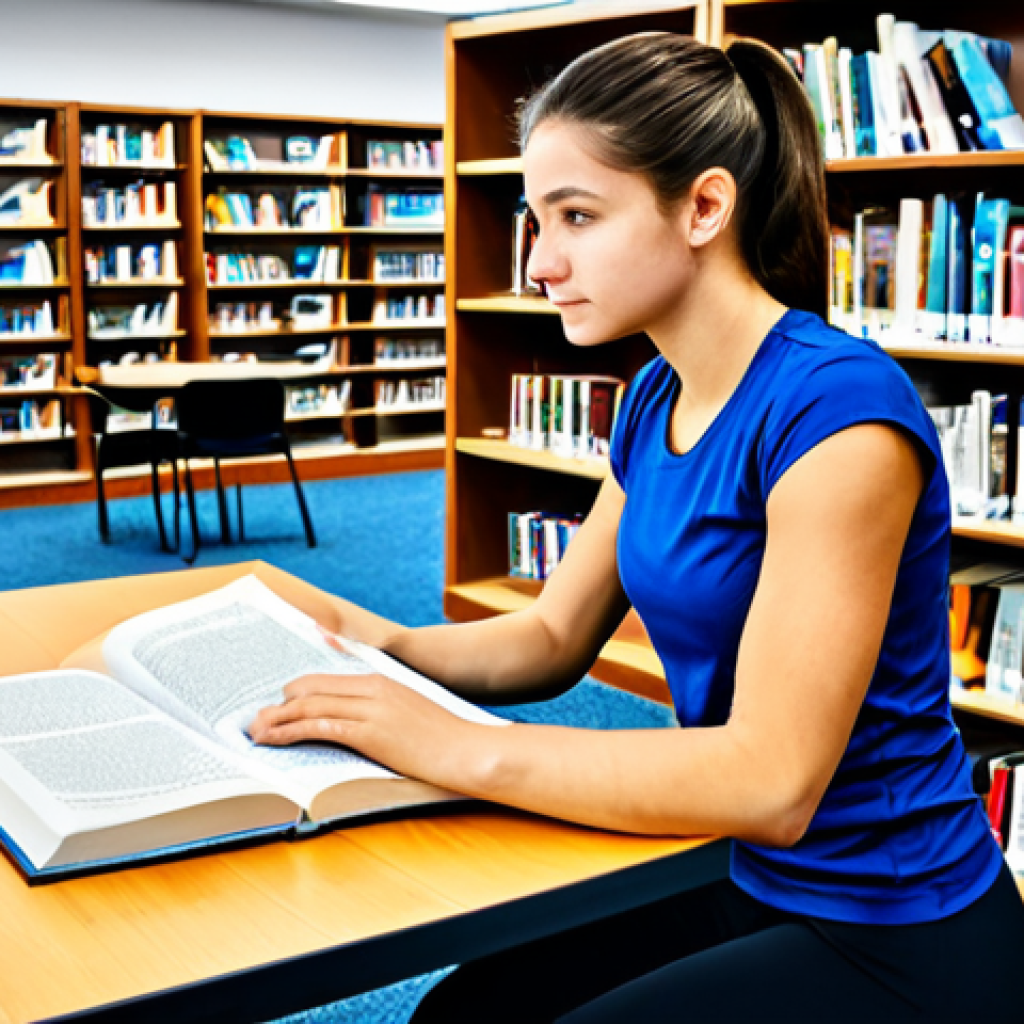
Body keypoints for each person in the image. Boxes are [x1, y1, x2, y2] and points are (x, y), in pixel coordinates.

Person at [248, 33, 1024, 1022]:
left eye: (577, 216)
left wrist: (453, 746)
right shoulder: (657, 394)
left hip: (891, 921)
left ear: (704, 208)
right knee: (461, 1015)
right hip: (740, 867)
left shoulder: (839, 413)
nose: (540, 262)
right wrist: (373, 644)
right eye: (535, 221)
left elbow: (772, 779)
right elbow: (549, 635)